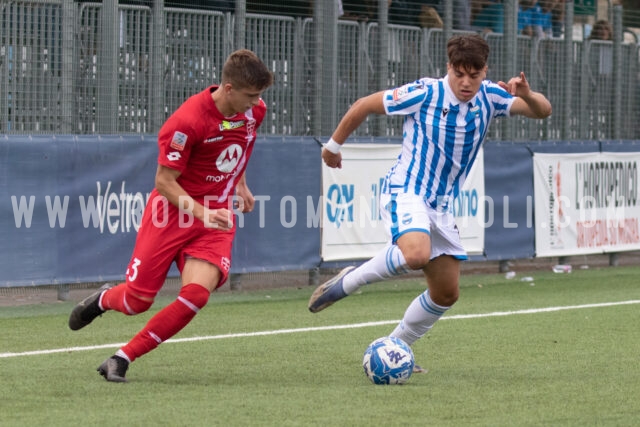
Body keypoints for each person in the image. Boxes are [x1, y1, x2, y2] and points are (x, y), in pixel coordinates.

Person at [308, 34, 551, 372]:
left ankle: (397, 347)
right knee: (416, 254)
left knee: (446, 293)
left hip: (442, 205)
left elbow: (543, 111)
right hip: (406, 189)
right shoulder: (425, 92)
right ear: (448, 68)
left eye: (474, 75)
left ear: (485, 72)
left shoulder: (492, 97)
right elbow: (364, 104)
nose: (466, 83)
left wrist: (527, 94)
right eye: (459, 74)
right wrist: (333, 147)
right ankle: (351, 280)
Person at [68, 49, 273, 382]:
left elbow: (241, 147)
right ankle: (104, 299)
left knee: (196, 295)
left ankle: (121, 358)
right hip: (171, 213)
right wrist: (201, 212)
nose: (256, 103)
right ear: (228, 88)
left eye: (259, 96)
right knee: (137, 301)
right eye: (250, 96)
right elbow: (164, 182)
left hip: (214, 221)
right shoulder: (186, 122)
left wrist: (240, 184)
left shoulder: (254, 112)